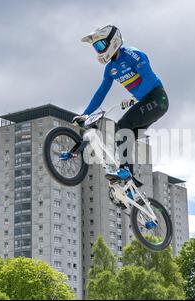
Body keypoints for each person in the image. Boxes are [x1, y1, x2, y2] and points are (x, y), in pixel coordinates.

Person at [74, 25, 169, 184]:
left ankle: (125, 171)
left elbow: (150, 79)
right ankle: (131, 185)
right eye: (95, 47)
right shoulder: (110, 68)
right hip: (145, 101)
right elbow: (101, 93)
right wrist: (86, 114)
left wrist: (134, 97)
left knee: (123, 125)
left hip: (157, 99)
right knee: (123, 136)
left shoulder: (133, 55)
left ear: (113, 41)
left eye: (100, 45)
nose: (98, 50)